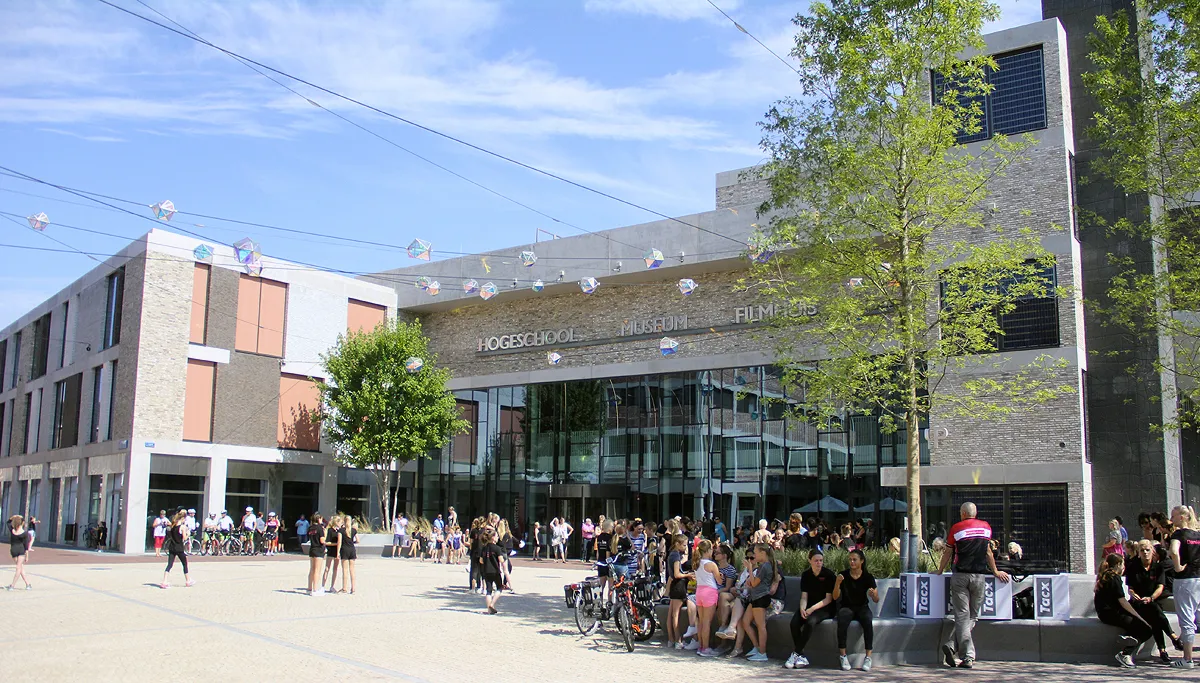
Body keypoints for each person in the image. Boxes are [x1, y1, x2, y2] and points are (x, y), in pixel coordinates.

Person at [938, 501, 1011, 669]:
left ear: (963, 513)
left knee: (962, 616)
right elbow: (987, 552)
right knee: (973, 616)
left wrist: (940, 570)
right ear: (975, 513)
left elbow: (948, 551)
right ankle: (964, 653)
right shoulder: (986, 528)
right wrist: (995, 571)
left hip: (960, 576)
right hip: (979, 576)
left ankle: (957, 649)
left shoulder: (956, 528)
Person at [1126, 539, 1182, 663]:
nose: (1145, 553)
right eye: (1142, 550)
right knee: (1155, 611)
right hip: (1138, 603)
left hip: (1152, 600)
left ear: (1152, 551)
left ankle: (1162, 650)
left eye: (1147, 550)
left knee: (1154, 615)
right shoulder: (1133, 567)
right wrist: (1134, 594)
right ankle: (1172, 636)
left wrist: (1151, 597)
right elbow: (1130, 588)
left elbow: (1160, 587)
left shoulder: (1158, 567)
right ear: (1138, 553)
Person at [1094, 553, 1152, 668]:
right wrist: (1138, 617)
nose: (1124, 567)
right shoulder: (1114, 578)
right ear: (1118, 564)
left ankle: (1128, 636)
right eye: (1123, 564)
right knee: (1147, 629)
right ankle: (1125, 654)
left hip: (1103, 613)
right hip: (1111, 613)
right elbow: (1122, 601)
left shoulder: (1104, 575)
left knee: (1135, 624)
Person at [785, 548, 837, 669]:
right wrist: (803, 608)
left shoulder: (829, 575)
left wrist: (812, 609)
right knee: (794, 623)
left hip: (825, 608)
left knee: (810, 622)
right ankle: (801, 656)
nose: (819, 563)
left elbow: (828, 599)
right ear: (810, 561)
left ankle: (795, 653)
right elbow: (804, 596)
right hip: (809, 606)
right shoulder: (806, 575)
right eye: (816, 561)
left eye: (821, 560)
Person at [834, 548, 879, 671]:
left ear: (862, 561)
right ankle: (843, 656)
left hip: (862, 606)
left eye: (855, 559)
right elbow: (835, 596)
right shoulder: (843, 575)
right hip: (846, 606)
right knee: (842, 621)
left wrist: (872, 594)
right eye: (850, 560)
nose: (852, 562)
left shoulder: (868, 577)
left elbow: (876, 599)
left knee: (867, 621)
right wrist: (837, 583)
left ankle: (868, 657)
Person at [1169, 504, 1200, 668]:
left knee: (1187, 619)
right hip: (1198, 578)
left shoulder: (1178, 534)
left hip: (1185, 580)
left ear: (1181, 517)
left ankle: (1187, 659)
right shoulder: (1198, 534)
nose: (1171, 519)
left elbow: (1174, 551)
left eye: (1173, 516)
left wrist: (1178, 566)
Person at [738, 544, 774, 662]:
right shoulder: (763, 566)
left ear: (763, 553)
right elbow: (753, 582)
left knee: (761, 626)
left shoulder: (765, 566)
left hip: (761, 597)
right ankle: (757, 647)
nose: (754, 555)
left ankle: (763, 653)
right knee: (745, 621)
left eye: (756, 553)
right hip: (755, 597)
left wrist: (749, 568)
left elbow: (754, 583)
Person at [692, 539, 722, 657]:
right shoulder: (711, 564)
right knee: (707, 623)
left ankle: (701, 646)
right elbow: (719, 580)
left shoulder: (697, 563)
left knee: (701, 621)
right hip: (710, 591)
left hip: (699, 591)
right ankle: (706, 647)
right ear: (709, 550)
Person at [665, 534, 694, 650]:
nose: (685, 547)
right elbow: (677, 574)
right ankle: (678, 640)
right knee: (675, 615)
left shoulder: (672, 554)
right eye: (684, 545)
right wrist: (688, 575)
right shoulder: (676, 555)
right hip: (679, 585)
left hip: (674, 586)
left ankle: (671, 639)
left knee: (671, 614)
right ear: (677, 544)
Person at [160, 510, 194, 589]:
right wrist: (188, 534)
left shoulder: (173, 525)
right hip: (179, 548)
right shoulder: (182, 527)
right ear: (183, 518)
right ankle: (188, 580)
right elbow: (184, 538)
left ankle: (164, 581)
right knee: (184, 563)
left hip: (172, 547)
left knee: (169, 564)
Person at [479, 528, 509, 614]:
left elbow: (481, 561)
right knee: (499, 587)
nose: (497, 537)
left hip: (486, 571)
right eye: (496, 536)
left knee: (488, 590)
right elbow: (501, 560)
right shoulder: (497, 548)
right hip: (495, 571)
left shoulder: (484, 548)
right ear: (492, 537)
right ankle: (492, 604)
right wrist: (503, 559)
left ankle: (489, 609)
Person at [7, 515, 32, 590]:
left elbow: (8, 522)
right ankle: (12, 585)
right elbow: (26, 545)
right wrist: (27, 555)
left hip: (13, 550)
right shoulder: (25, 533)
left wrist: (14, 517)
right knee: (18, 568)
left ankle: (27, 584)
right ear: (22, 523)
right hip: (21, 550)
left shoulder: (12, 530)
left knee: (20, 568)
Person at [306, 514, 326, 595]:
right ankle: (315, 589)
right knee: (317, 570)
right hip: (319, 549)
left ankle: (309, 588)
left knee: (312, 569)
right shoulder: (319, 528)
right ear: (318, 519)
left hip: (312, 548)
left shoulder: (310, 528)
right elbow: (322, 540)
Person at [322, 515, 342, 593]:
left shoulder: (339, 531)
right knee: (327, 568)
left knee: (335, 569)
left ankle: (332, 586)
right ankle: (323, 585)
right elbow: (327, 542)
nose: (341, 524)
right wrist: (336, 544)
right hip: (331, 551)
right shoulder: (330, 530)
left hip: (337, 551)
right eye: (340, 522)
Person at [340, 517, 358, 595]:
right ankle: (353, 588)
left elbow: (339, 542)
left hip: (344, 549)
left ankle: (344, 588)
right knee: (352, 570)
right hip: (352, 549)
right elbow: (358, 540)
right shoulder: (353, 531)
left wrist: (337, 552)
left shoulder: (341, 531)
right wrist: (352, 542)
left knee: (345, 570)